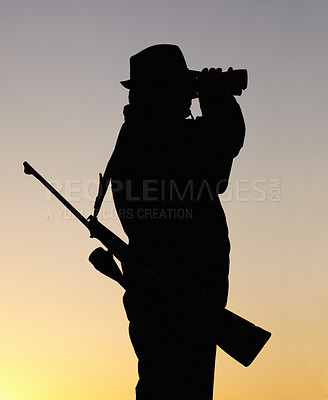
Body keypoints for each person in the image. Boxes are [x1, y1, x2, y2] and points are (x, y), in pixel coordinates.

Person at [96, 44, 245, 399]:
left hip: (174, 296)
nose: (189, 98)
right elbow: (221, 152)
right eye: (182, 88)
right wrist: (219, 101)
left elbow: (214, 168)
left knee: (166, 385)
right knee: (175, 387)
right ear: (161, 92)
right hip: (179, 299)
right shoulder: (156, 138)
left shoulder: (144, 134)